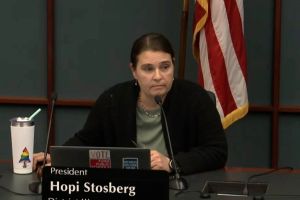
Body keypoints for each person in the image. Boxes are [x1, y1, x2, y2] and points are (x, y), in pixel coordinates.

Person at [33, 32, 227, 175]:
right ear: (133, 71)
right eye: (148, 69)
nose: (158, 76)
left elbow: (217, 151)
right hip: (127, 187)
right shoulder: (114, 100)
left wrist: (171, 163)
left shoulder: (195, 98)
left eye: (165, 67)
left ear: (173, 64)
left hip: (179, 186)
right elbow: (86, 141)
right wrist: (58, 157)